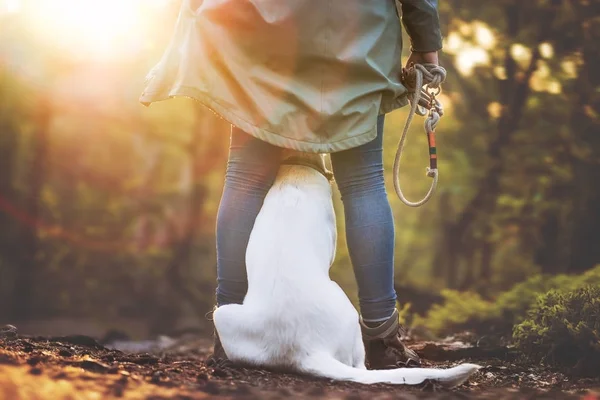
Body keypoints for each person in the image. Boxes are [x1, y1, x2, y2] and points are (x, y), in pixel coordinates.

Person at [140, 0, 443, 369]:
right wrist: (426, 47)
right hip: (359, 34)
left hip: (268, 30)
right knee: (363, 182)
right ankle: (382, 338)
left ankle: (229, 331)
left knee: (245, 180)